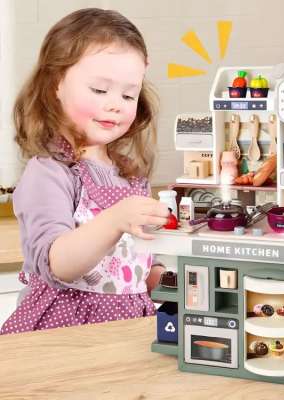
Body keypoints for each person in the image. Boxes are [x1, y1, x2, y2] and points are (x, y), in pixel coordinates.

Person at [1, 8, 170, 334]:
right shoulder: (49, 173)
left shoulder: (132, 177)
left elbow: (136, 268)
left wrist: (172, 280)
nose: (115, 104)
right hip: (66, 336)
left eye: (128, 94)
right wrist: (116, 220)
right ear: (55, 84)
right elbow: (58, 264)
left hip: (126, 332)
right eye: (99, 90)